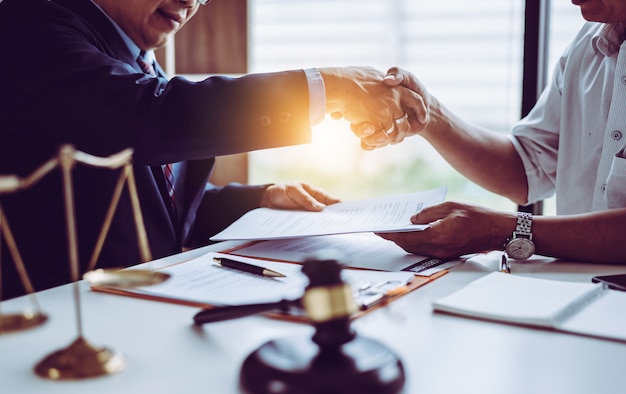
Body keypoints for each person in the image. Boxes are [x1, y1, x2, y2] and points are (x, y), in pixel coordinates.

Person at [0, 0, 417, 300]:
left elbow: (151, 205)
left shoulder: (134, 57)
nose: (192, 2)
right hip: (46, 322)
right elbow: (143, 115)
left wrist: (255, 199)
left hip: (126, 310)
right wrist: (325, 87)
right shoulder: (30, 25)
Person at [371, 0, 626, 265]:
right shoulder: (587, 44)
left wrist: (502, 229)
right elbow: (527, 170)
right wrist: (429, 116)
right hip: (574, 291)